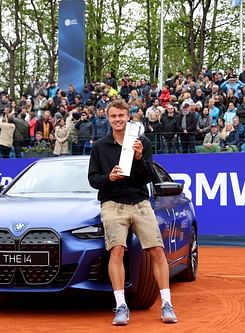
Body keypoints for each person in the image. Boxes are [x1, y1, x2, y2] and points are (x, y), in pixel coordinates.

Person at [88, 99, 177, 326]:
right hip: (112, 203)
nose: (117, 120)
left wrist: (138, 158)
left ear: (129, 117)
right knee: (116, 250)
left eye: (121, 116)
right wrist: (109, 177)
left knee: (157, 249)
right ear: (108, 118)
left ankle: (167, 304)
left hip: (139, 202)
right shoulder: (99, 146)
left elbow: (147, 176)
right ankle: (120, 306)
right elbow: (93, 179)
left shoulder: (142, 142)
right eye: (113, 116)